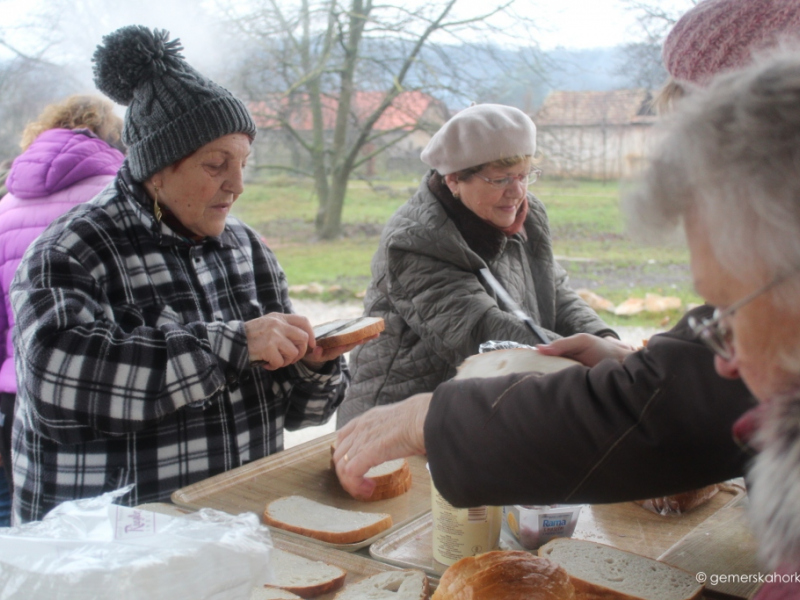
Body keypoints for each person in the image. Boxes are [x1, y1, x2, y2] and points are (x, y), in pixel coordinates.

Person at [9, 25, 362, 524]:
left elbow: (300, 415)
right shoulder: (71, 252)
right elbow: (57, 382)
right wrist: (233, 345)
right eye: (216, 164)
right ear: (156, 168)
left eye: (243, 163)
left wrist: (313, 366)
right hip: (112, 551)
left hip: (236, 532)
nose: (237, 185)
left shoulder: (249, 250)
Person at [336, 103, 620, 427]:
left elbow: (553, 290)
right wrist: (590, 362)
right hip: (397, 419)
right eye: (500, 180)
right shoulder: (414, 241)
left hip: (475, 407)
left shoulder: (527, 214)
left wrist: (603, 338)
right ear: (455, 180)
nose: (517, 192)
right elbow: (479, 332)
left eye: (524, 176)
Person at [0, 96, 125, 525]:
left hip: (14, 393)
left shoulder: (6, 206)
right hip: (100, 393)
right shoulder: (116, 200)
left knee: (24, 525)